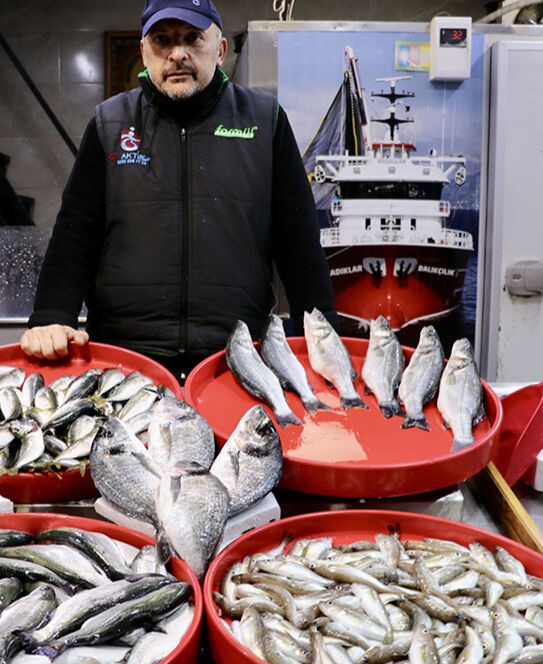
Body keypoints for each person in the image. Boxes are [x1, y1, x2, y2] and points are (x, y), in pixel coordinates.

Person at [20, 0, 340, 380]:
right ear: (144, 52)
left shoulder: (263, 120)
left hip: (237, 362)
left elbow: (299, 240)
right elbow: (75, 233)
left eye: (193, 38)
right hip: (125, 362)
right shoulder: (110, 123)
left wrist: (324, 340)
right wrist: (50, 317)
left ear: (219, 50)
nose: (177, 54)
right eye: (162, 40)